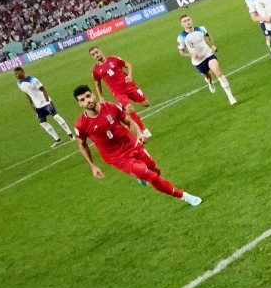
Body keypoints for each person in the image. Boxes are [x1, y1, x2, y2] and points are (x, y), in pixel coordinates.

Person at [72, 85, 202, 206]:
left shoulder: (110, 107)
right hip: (117, 157)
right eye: (82, 100)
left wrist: (139, 133)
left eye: (88, 96)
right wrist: (92, 166)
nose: (87, 101)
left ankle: (140, 176)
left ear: (93, 95)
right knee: (152, 176)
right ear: (79, 104)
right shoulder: (81, 124)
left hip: (131, 144)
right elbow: (82, 145)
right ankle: (185, 196)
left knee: (155, 170)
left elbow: (128, 121)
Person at [89, 46, 151, 138]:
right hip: (118, 92)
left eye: (96, 52)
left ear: (100, 51)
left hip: (129, 86)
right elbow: (98, 84)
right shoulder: (96, 70)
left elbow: (128, 65)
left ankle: (134, 117)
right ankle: (144, 130)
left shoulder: (114, 59)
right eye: (93, 54)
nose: (96, 55)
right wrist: (100, 97)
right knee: (129, 108)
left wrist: (129, 76)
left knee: (146, 104)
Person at [176, 15, 237, 105]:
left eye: (188, 19)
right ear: (181, 24)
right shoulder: (181, 37)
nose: (187, 22)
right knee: (208, 76)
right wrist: (191, 55)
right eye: (184, 21)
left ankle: (230, 96)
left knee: (219, 73)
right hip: (198, 61)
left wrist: (212, 44)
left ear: (192, 20)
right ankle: (210, 82)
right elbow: (182, 52)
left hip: (208, 54)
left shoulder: (201, 28)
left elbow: (208, 36)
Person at [14, 67, 74, 146]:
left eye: (17, 73)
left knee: (56, 117)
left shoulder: (33, 80)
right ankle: (57, 140)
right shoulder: (19, 84)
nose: (16, 75)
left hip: (45, 102)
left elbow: (43, 90)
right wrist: (32, 104)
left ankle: (71, 135)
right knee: (43, 123)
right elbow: (27, 93)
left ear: (22, 72)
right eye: (15, 74)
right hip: (37, 105)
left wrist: (47, 101)